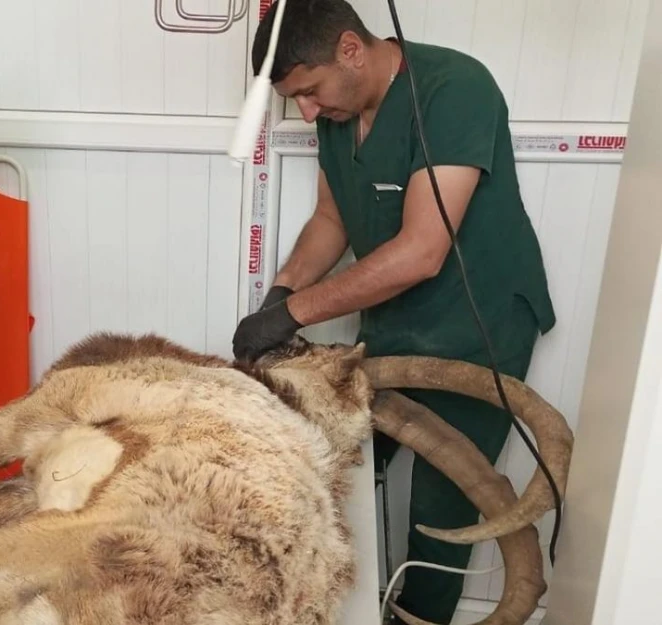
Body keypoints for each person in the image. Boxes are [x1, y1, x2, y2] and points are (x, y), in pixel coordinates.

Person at [230, 1, 556, 622]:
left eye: (309, 92)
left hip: (475, 322)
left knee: (442, 505)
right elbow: (333, 218)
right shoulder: (339, 108)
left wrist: (293, 313)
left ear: (351, 49)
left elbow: (422, 252)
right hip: (394, 318)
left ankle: (418, 618)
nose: (306, 111)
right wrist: (280, 293)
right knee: (331, 466)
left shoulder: (455, 89)